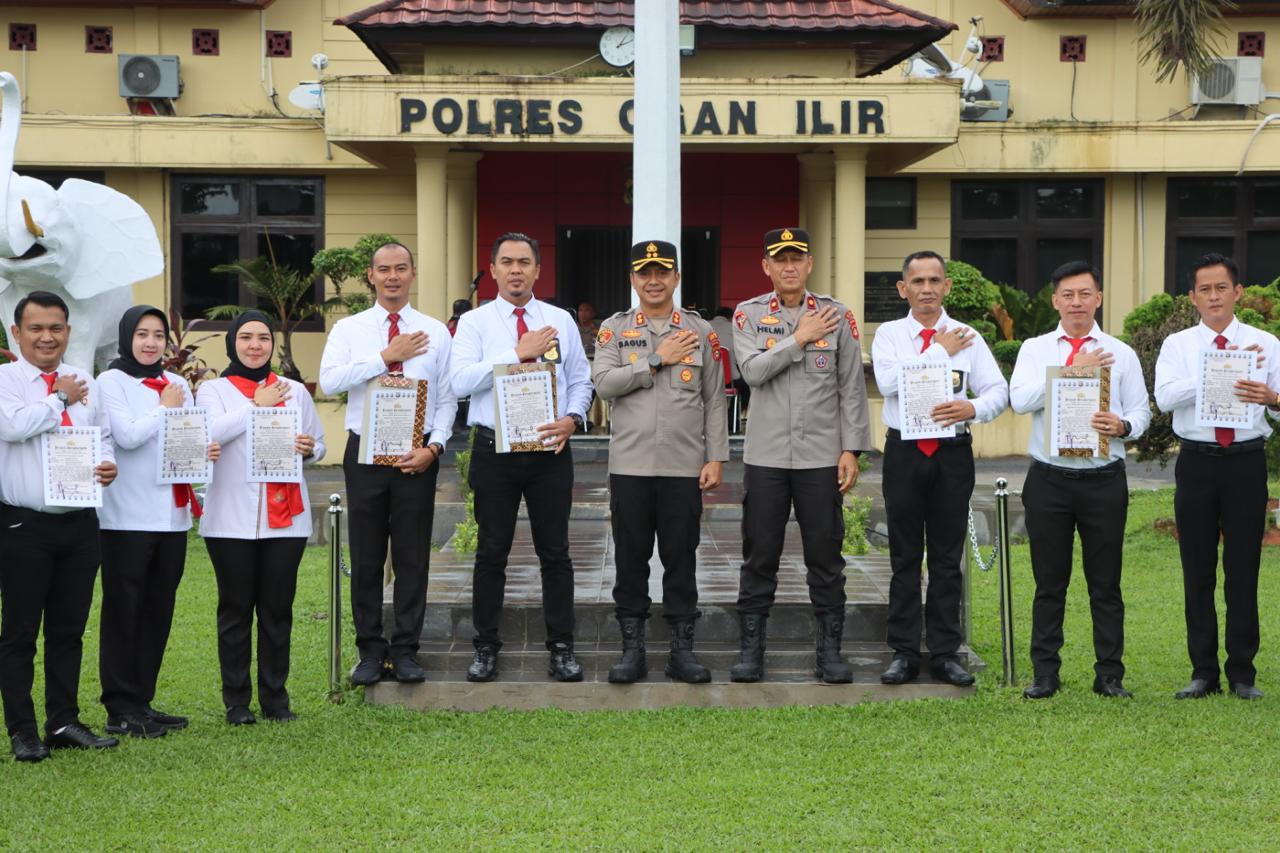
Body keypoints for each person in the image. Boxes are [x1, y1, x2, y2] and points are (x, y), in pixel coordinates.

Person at [729, 228, 873, 684]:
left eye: (797, 258)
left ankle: (830, 652)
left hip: (821, 457)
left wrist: (851, 449)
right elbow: (751, 372)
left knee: (825, 558)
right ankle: (752, 651)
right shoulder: (749, 314)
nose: (789, 267)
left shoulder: (837, 315)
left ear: (810, 263)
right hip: (767, 456)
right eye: (780, 259)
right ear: (766, 266)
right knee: (760, 554)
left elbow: (851, 388)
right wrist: (799, 339)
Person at [450, 232, 593, 683]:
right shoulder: (474, 323)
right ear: (493, 269)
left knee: (556, 552)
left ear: (537, 270)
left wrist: (573, 418)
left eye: (524, 262)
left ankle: (562, 647)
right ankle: (485, 647)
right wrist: (517, 354)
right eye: (507, 262)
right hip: (495, 450)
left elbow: (580, 379)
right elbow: (459, 382)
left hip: (550, 449)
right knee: (492, 551)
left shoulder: (560, 320)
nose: (516, 270)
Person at [1010, 260, 1151, 700]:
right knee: (1049, 583)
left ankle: (1109, 675)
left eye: (1085, 294)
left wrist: (1123, 426)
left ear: (1099, 298)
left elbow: (1141, 411)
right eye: (1068, 295)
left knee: (1105, 583)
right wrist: (1075, 367)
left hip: (1103, 480)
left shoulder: (1121, 353)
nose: (1077, 302)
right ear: (1055, 300)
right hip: (1049, 479)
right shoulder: (1035, 349)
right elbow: (1020, 399)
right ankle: (1045, 673)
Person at [319, 242, 457, 687]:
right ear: (371, 275)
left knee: (413, 556)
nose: (392, 276)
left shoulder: (435, 332)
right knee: (366, 555)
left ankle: (406, 649)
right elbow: (329, 380)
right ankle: (370, 651)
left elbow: (448, 397)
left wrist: (434, 447)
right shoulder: (350, 329)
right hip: (365, 453)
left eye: (400, 268)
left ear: (413, 273)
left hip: (417, 453)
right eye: (384, 269)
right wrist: (386, 355)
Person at [592, 240, 729, 684]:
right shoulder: (614, 330)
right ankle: (632, 651)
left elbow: (714, 399)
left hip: (683, 467)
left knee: (681, 560)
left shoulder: (700, 331)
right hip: (630, 467)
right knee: (630, 561)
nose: (654, 280)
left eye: (662, 272)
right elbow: (604, 384)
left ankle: (681, 652)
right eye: (645, 272)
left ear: (676, 277)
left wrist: (716, 457)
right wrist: (655, 360)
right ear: (632, 279)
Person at [872, 251, 1009, 687]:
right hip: (905, 453)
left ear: (946, 286)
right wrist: (938, 352)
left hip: (951, 453)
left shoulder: (968, 336)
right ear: (903, 289)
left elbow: (998, 390)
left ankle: (946, 652)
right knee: (905, 556)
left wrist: (973, 407)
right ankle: (904, 652)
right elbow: (887, 383)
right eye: (918, 281)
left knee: (948, 557)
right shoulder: (890, 335)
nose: (927, 289)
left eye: (935, 280)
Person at [1155, 253, 1280, 701]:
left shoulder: (1266, 344)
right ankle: (1203, 671)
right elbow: (1165, 398)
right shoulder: (1178, 346)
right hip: (1197, 463)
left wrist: (1270, 396)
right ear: (1192, 297)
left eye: (1221, 288)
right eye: (1204, 290)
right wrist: (1215, 373)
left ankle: (1242, 673)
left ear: (1237, 292)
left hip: (1245, 462)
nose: (1214, 297)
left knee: (1243, 568)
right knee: (1198, 568)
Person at [0, 291, 119, 762]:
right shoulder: (7, 380)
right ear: (17, 333)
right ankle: (22, 731)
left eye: (55, 328)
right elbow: (14, 426)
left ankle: (63, 722)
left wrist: (107, 464)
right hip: (23, 526)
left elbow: (102, 436)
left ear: (68, 331)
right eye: (36, 328)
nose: (46, 337)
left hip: (80, 524)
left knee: (68, 631)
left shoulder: (86, 379)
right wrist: (59, 397)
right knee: (20, 633)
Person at [97, 306, 220, 738]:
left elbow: (181, 440)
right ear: (126, 337)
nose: (151, 343)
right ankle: (119, 707)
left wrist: (203, 449)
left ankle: (142, 701)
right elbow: (128, 436)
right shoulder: (111, 382)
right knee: (124, 610)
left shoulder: (175, 383)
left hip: (171, 517)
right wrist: (165, 409)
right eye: (142, 334)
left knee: (157, 610)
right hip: (126, 518)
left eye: (158, 335)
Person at [197, 311, 325, 724]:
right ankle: (236, 702)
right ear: (232, 342)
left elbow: (319, 443)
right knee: (235, 610)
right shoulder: (213, 390)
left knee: (277, 610)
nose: (255, 345)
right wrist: (257, 405)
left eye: (264, 338)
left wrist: (310, 449)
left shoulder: (294, 390)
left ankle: (275, 699)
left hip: (285, 521)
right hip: (229, 519)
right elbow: (209, 433)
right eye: (246, 337)